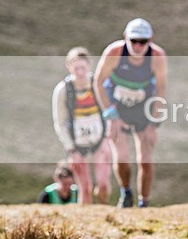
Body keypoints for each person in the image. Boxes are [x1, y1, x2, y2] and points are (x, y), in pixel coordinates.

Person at [94, 18, 167, 208]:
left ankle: (144, 204)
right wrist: (111, 115)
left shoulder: (157, 56)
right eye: (134, 41)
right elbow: (98, 82)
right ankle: (126, 193)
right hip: (118, 107)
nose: (138, 46)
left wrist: (154, 123)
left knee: (146, 160)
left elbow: (160, 91)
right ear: (125, 37)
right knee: (123, 156)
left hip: (143, 108)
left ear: (150, 40)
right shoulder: (114, 52)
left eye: (143, 42)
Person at [52, 47, 113, 205]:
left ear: (89, 66)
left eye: (83, 67)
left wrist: (107, 136)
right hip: (77, 143)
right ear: (69, 67)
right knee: (84, 187)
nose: (80, 72)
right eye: (76, 67)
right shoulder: (63, 90)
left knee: (103, 184)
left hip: (99, 139)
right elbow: (60, 121)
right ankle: (87, 220)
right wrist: (71, 148)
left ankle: (104, 212)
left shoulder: (98, 85)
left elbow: (109, 110)